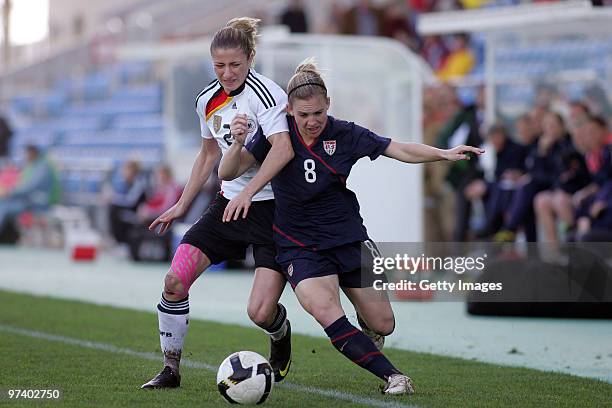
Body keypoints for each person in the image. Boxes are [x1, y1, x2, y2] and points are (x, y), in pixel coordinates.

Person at [218, 58, 483, 395]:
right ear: (289, 109)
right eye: (303, 115)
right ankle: (394, 377)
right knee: (326, 310)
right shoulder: (276, 135)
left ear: (328, 104)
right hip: (299, 246)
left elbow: (397, 148)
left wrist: (443, 153)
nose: (312, 121)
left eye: (318, 113)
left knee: (383, 323)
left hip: (349, 238)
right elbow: (229, 172)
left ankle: (366, 329)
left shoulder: (345, 133)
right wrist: (238, 142)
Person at [141, 17, 294, 389]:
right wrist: (182, 204)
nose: (227, 73)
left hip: (273, 209)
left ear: (250, 58)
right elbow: (208, 155)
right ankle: (171, 369)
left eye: (235, 65)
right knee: (175, 280)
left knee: (259, 312)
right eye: (219, 66)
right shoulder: (206, 100)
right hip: (227, 205)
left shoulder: (268, 93)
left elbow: (284, 149)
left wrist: (249, 190)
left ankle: (280, 330)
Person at [0, 145, 60, 234]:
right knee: (3, 202)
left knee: (4, 206)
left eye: (27, 152)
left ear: (34, 152)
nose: (25, 155)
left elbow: (30, 187)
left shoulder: (42, 167)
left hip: (40, 202)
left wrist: (9, 192)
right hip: (29, 199)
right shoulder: (33, 165)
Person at [107, 160, 148, 246]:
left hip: (140, 213)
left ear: (132, 170)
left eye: (125, 170)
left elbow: (131, 202)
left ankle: (121, 243)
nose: (123, 173)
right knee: (113, 208)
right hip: (133, 211)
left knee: (114, 210)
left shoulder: (139, 182)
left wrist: (113, 198)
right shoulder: (129, 183)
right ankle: (118, 241)